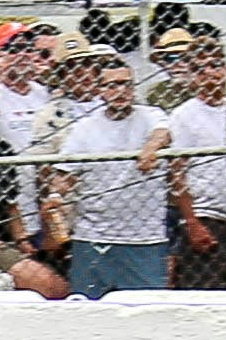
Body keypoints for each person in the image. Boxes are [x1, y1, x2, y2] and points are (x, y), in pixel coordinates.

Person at [40, 49, 174, 297]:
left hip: (144, 239)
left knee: (148, 307)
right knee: (88, 307)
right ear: (100, 89)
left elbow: (163, 133)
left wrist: (151, 148)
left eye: (125, 84)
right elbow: (64, 176)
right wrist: (55, 197)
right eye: (111, 85)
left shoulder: (151, 115)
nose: (119, 91)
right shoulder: (85, 128)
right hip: (94, 237)